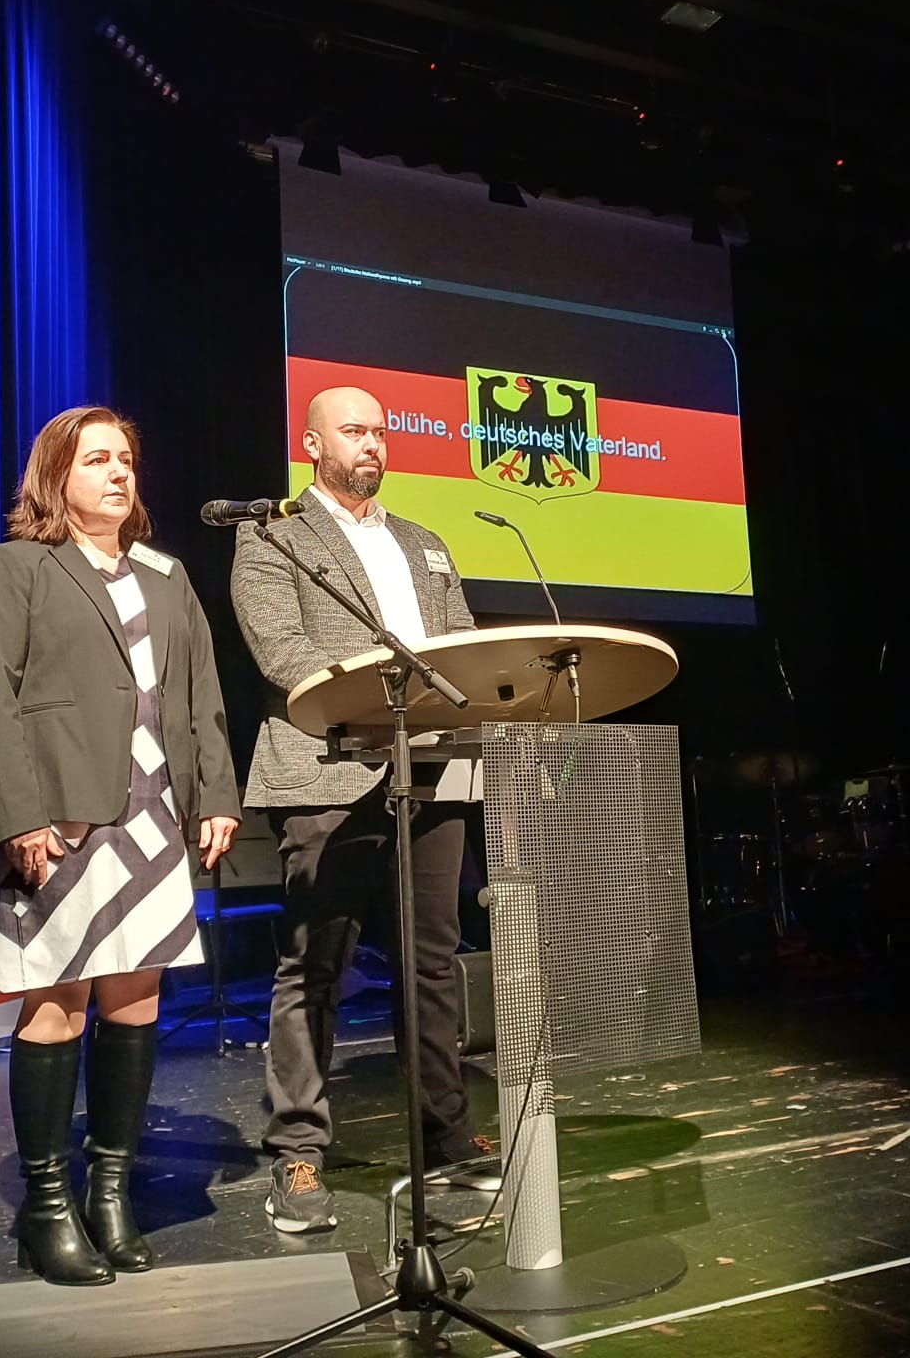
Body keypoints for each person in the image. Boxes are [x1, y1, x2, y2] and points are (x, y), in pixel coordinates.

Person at [0, 405, 241, 1285]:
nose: (118, 472)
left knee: (136, 999)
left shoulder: (165, 574)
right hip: (63, 817)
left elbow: (201, 695)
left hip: (155, 817)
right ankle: (47, 1208)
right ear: (56, 476)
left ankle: (110, 1193)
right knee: (58, 1003)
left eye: (125, 458)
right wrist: (19, 814)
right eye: (96, 460)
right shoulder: (20, 567)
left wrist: (217, 795)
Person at [231, 385, 499, 1235]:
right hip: (328, 769)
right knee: (316, 964)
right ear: (312, 444)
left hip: (432, 766)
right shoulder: (272, 535)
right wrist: (388, 697)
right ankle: (298, 1152)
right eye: (354, 430)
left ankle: (446, 1129)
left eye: (380, 431)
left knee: (432, 961)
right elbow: (282, 651)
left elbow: (462, 646)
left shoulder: (425, 542)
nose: (373, 443)